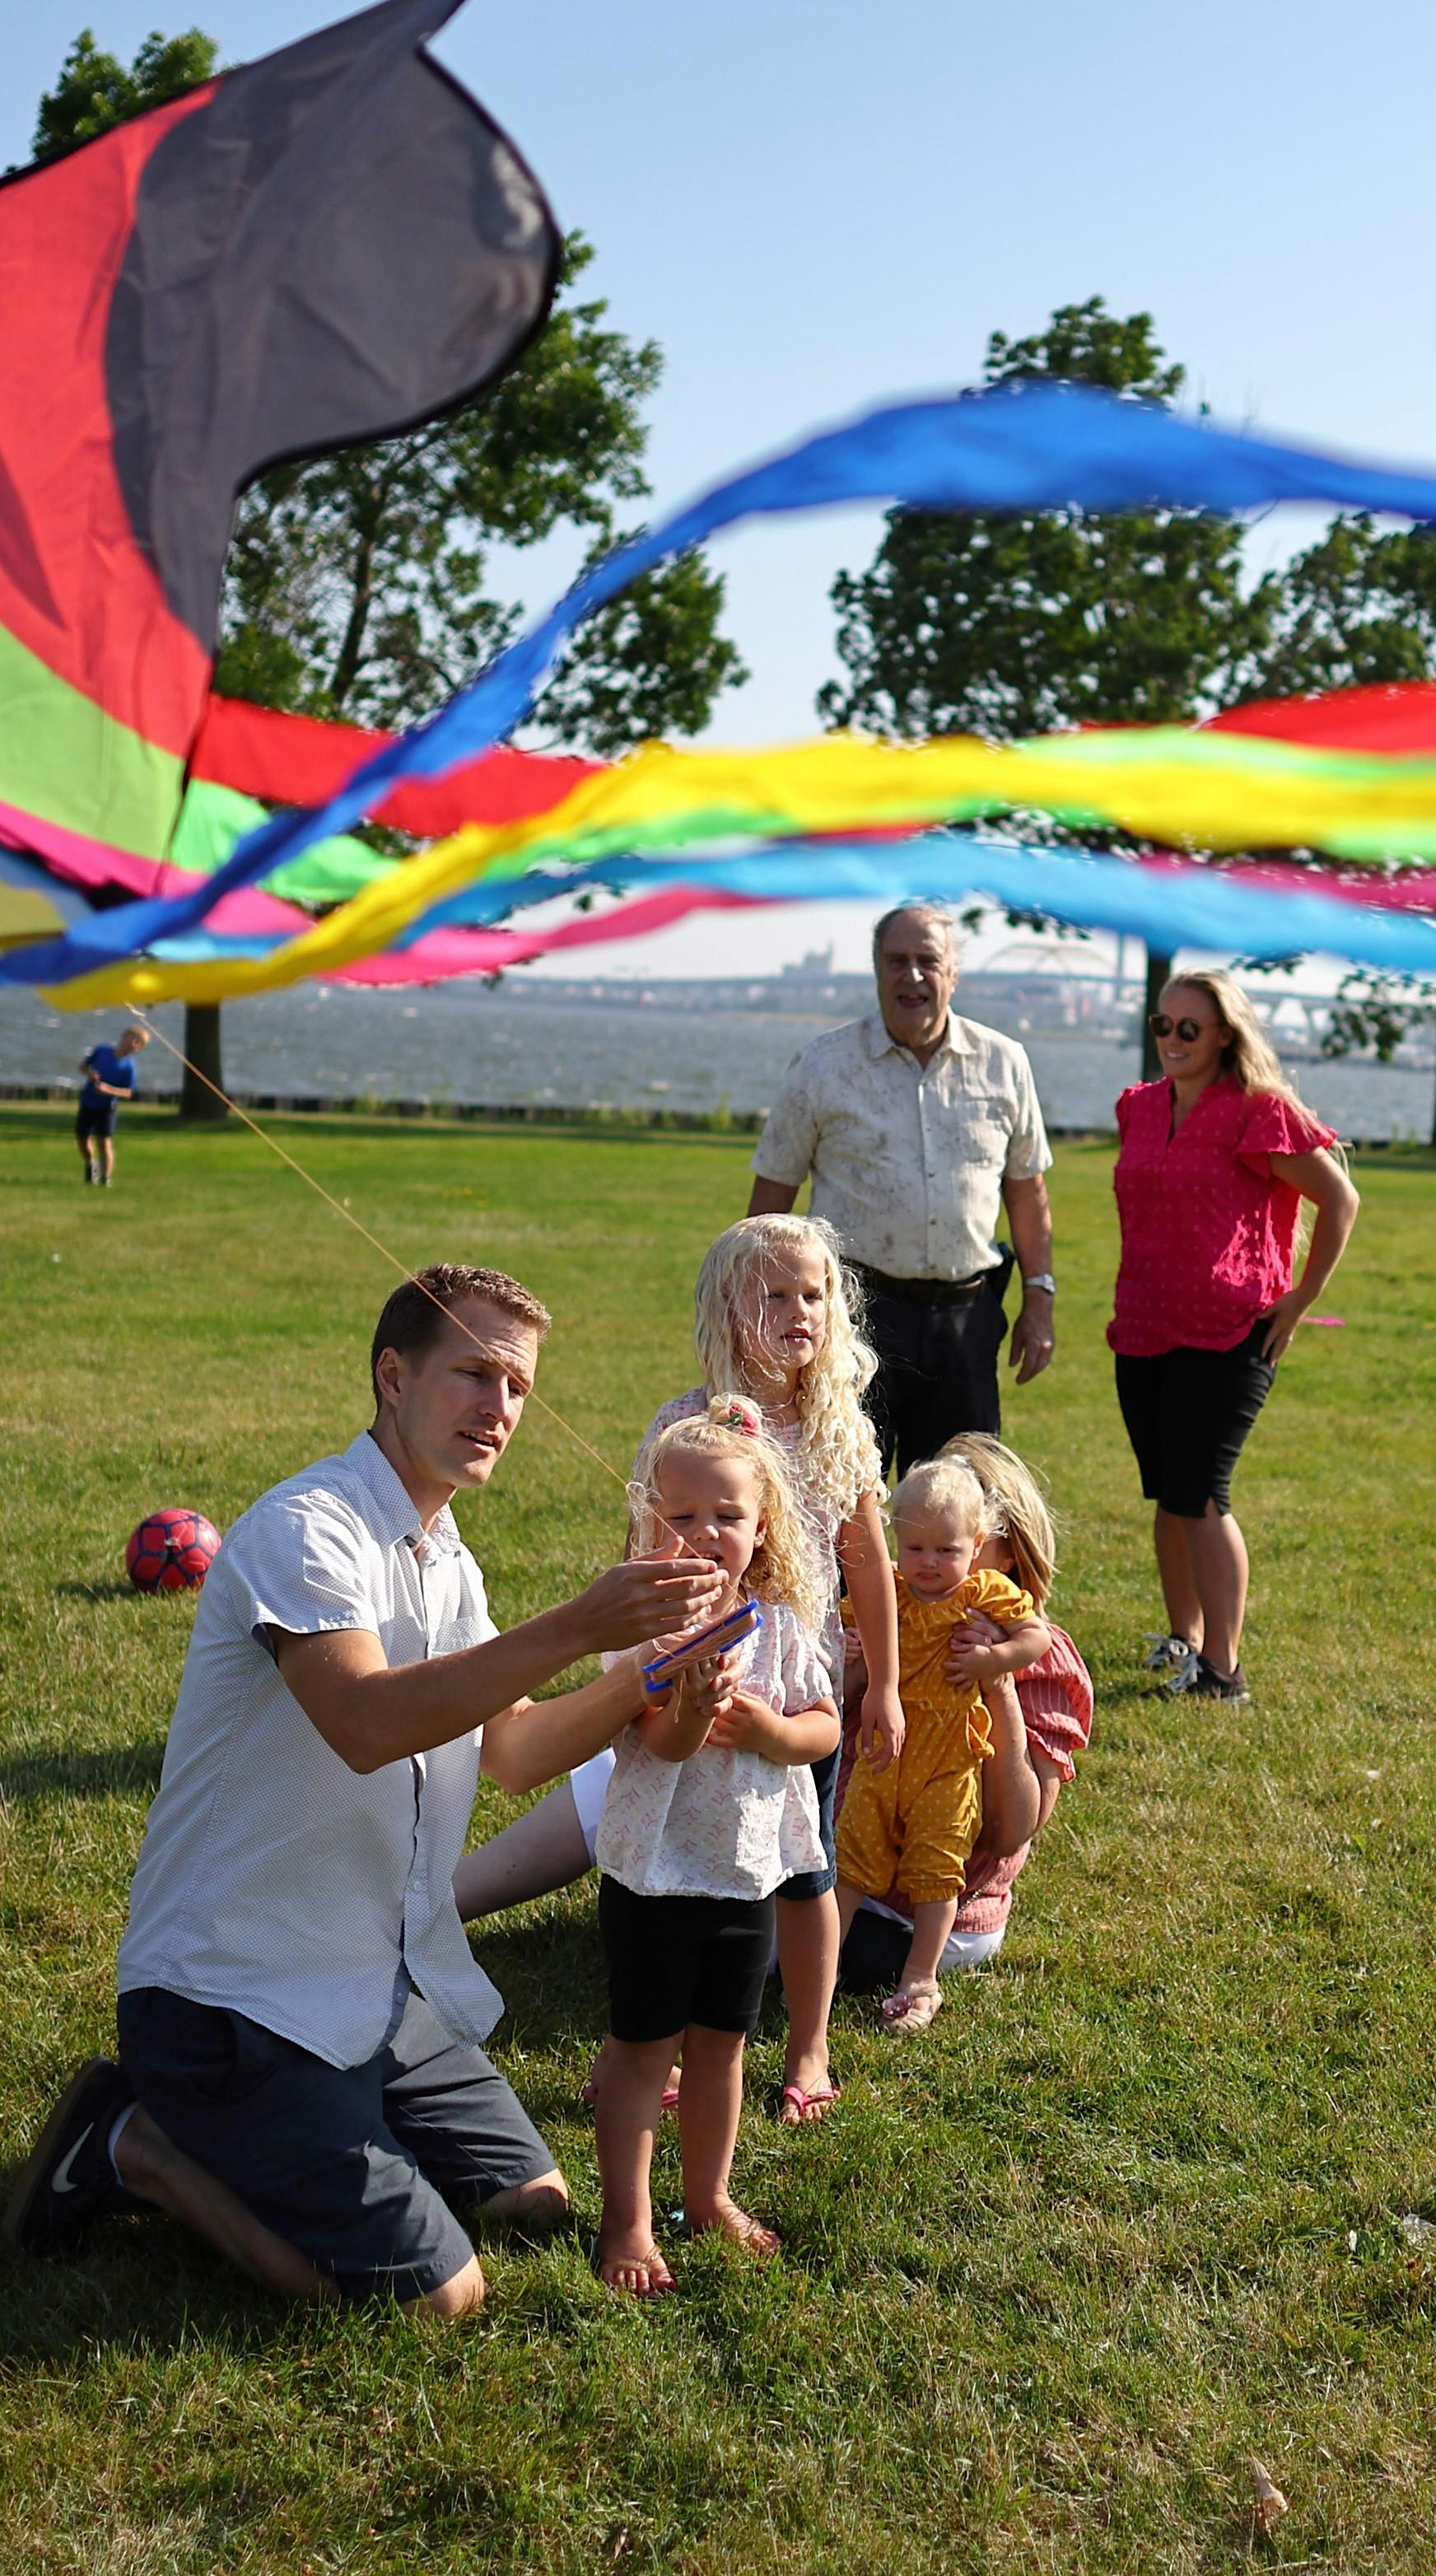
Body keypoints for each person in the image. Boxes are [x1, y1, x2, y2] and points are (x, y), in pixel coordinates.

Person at [5, 1265, 720, 2318]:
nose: (501, 1407)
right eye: (474, 1373)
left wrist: (642, 1679)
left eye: (518, 1386)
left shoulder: (449, 1560)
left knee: (537, 2201)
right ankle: (132, 2145)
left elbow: (513, 1750)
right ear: (393, 1375)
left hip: (376, 1987)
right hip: (228, 1996)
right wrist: (576, 1624)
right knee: (443, 2297)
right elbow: (366, 1723)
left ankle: (322, 2129)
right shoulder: (309, 1528)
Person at [455, 1215, 899, 2124]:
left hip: (793, 1675)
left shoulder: (837, 1430)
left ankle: (807, 2043)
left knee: (803, 1869)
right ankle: (655, 2044)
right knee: (673, 1850)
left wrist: (882, 1685)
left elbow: (869, 1564)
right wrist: (656, 1651)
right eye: (774, 1294)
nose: (799, 1311)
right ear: (728, 1311)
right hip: (686, 1662)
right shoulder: (681, 1422)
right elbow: (641, 1542)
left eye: (813, 1293)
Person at [584, 1401, 839, 2293]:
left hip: (743, 1875)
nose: (704, 1533)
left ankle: (708, 2197)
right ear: (650, 1524)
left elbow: (823, 1727)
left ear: (761, 1526)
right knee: (641, 2051)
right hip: (655, 1878)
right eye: (681, 1516)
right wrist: (692, 1703)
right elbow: (661, 1743)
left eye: (726, 1515)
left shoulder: (782, 1630)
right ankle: (628, 2221)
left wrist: (773, 1729)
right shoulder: (648, 1631)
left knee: (722, 2048)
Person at [1109, 967, 1357, 1705]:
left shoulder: (1255, 1112)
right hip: (1144, 1325)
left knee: (1204, 1496)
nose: (1173, 1040)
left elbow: (1340, 1198)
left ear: (1224, 1035)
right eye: (1163, 1025)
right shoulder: (1140, 1108)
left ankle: (1224, 1670)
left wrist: (1301, 1299)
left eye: (1190, 1028)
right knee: (1167, 1495)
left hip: (1228, 1331)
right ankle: (1184, 1643)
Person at [747, 907, 1056, 1471]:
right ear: (876, 971)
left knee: (958, 1504)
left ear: (953, 974)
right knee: (838, 1496)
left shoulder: (1005, 1063)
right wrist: (756, 1303)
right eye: (896, 962)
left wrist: (1039, 1295)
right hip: (852, 1314)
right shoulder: (824, 1065)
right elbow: (773, 1194)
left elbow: (1027, 1189)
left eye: (927, 962)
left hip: (966, 1319)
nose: (911, 976)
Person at [830, 1454, 1035, 2030]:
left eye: (946, 1550)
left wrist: (995, 1659)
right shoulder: (886, 1592)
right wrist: (850, 1651)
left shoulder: (983, 1594)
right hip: (883, 1751)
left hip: (948, 1760)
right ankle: (817, 1973)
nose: (928, 1564)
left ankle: (920, 1978)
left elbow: (1035, 1636)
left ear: (977, 1546)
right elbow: (845, 1629)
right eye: (915, 1548)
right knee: (852, 1856)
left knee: (938, 1865)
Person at [74, 1024, 149, 1186]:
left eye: (140, 1044)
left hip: (107, 1107)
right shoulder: (102, 1051)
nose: (136, 1046)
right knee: (82, 1138)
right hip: (88, 1101)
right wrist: (89, 1073)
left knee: (104, 1141)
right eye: (135, 1040)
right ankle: (90, 1164)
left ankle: (105, 1179)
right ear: (124, 1037)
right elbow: (82, 1067)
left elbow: (128, 1092)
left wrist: (108, 1090)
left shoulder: (129, 1066)